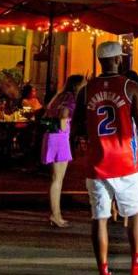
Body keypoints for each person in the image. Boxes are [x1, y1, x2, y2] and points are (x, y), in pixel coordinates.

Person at [70, 41, 138, 275]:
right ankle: (137, 270)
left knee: (100, 218)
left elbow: (77, 127)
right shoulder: (130, 87)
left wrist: (82, 146)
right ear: (118, 59)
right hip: (127, 161)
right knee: (135, 214)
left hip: (97, 163)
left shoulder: (85, 90)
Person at [42, 75, 85, 228]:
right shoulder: (71, 98)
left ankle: (55, 213)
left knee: (55, 178)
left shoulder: (59, 96)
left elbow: (48, 112)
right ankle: (55, 214)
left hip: (51, 136)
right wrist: (65, 126)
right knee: (57, 179)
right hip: (60, 137)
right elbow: (64, 115)